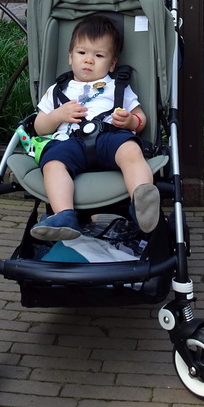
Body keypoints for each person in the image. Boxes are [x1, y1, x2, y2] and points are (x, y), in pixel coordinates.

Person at [30, 14, 160, 242]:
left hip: (109, 137)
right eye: (82, 53)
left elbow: (142, 118)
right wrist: (58, 115)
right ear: (70, 57)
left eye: (98, 55)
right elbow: (39, 127)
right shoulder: (58, 89)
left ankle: (140, 202)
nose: (89, 60)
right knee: (52, 163)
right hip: (69, 142)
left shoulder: (117, 86)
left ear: (111, 64)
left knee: (131, 150)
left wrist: (130, 121)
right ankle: (64, 215)